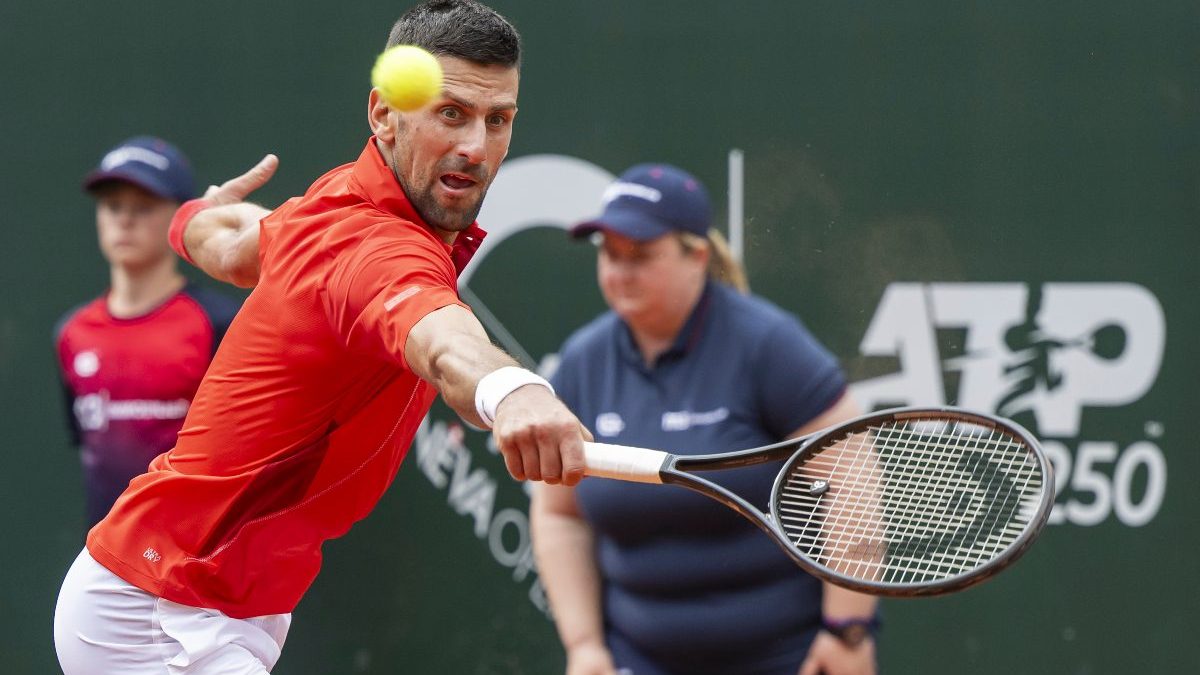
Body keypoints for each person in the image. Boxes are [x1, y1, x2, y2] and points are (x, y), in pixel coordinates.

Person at [53, 2, 589, 673]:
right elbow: (443, 340)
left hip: (210, 600)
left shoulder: (330, 203)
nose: (476, 148)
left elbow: (237, 241)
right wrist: (513, 389)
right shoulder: (379, 247)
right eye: (450, 113)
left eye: (498, 120)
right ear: (384, 114)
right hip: (163, 608)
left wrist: (191, 219)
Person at [531, 164, 880, 675]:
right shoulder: (582, 362)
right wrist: (585, 646)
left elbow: (851, 487)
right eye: (610, 253)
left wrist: (845, 633)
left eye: (641, 254)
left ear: (697, 257)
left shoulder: (768, 345)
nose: (620, 271)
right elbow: (560, 513)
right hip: (639, 659)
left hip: (789, 657)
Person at [55, 136, 240, 529]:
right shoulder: (72, 334)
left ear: (181, 217)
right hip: (103, 563)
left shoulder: (219, 323)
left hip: (195, 557)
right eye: (112, 206)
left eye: (144, 206)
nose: (124, 219)